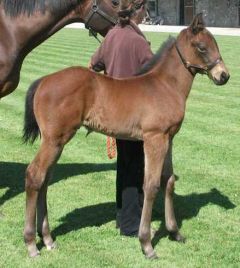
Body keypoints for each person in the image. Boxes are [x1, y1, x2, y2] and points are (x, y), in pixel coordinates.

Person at [90, 0, 153, 236]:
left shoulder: (112, 35)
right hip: (133, 112)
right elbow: (155, 74)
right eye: (146, 8)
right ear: (139, 10)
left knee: (125, 165)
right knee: (133, 167)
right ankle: (129, 224)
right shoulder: (138, 41)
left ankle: (122, 216)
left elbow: (93, 65)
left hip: (113, 113)